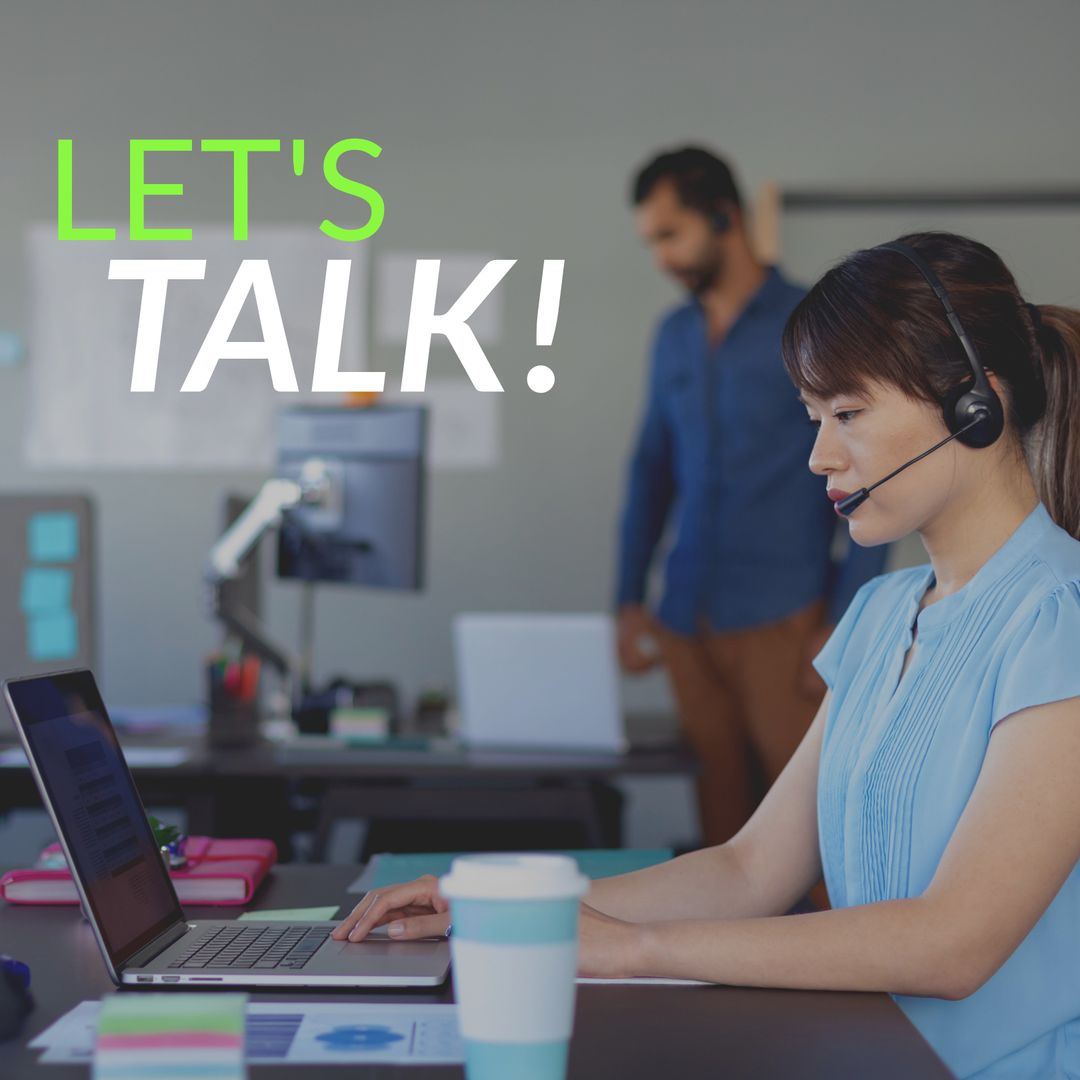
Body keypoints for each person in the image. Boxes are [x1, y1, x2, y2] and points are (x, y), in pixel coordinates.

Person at [332, 232, 1080, 1079]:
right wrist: (502, 909)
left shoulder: (1060, 620)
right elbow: (750, 867)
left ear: (973, 404)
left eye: (848, 413)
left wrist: (632, 950)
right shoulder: (881, 613)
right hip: (873, 1056)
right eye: (812, 418)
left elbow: (955, 944)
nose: (820, 456)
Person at [615, 146, 888, 848]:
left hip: (786, 619)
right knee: (723, 836)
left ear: (723, 217)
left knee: (816, 834)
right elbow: (651, 470)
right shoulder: (671, 336)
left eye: (671, 235)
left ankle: (844, 959)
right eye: (651, 240)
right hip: (686, 618)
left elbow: (871, 465)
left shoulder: (809, 321)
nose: (660, 257)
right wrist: (626, 598)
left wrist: (846, 616)